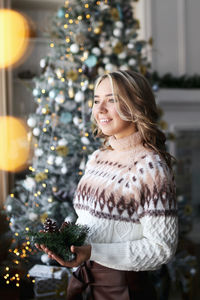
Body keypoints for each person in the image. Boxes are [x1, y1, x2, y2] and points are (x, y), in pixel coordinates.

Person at [36, 70, 178, 300]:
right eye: (96, 100)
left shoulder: (150, 167)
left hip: (124, 290)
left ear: (136, 105)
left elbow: (161, 249)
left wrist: (94, 252)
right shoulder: (98, 158)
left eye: (111, 100)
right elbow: (92, 222)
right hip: (86, 281)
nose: (100, 109)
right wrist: (67, 241)